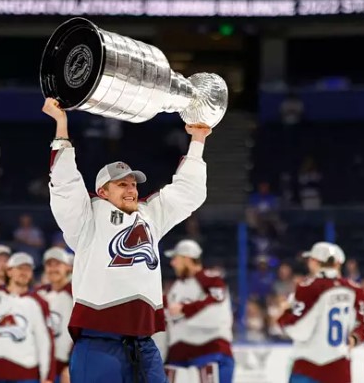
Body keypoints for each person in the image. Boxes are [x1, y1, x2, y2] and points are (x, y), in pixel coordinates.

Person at [43, 97, 211, 383]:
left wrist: (197, 139)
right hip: (98, 344)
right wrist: (61, 125)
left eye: (133, 184)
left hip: (144, 343)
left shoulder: (150, 214)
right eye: (122, 184)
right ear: (103, 191)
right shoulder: (86, 218)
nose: (131, 189)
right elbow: (65, 185)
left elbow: (188, 192)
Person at [278, 242, 364, 383]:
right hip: (340, 368)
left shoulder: (307, 288)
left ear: (314, 262)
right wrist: (355, 339)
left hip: (308, 366)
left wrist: (284, 314)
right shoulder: (355, 290)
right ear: (338, 264)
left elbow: (299, 331)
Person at [164, 240, 234, 383]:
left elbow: (216, 315)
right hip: (179, 356)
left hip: (211, 351)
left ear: (187, 259)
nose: (172, 263)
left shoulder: (210, 280)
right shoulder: (176, 287)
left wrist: (184, 309)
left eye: (175, 258)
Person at [0, 252, 55, 383]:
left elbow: (45, 341)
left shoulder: (39, 302)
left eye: (28, 269)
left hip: (26, 373)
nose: (24, 272)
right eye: (20, 268)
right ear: (9, 272)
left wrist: (47, 377)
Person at [35, 247, 73, 383]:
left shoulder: (76, 294)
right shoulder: (38, 293)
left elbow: (81, 332)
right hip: (40, 365)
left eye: (58, 264)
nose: (53, 269)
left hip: (64, 367)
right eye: (49, 265)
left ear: (68, 267)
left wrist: (70, 365)